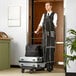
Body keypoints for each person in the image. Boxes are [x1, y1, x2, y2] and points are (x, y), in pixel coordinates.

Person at [34, 2, 58, 67]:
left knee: (51, 48)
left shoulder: (54, 14)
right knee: (45, 47)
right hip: (45, 34)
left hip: (51, 33)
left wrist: (50, 28)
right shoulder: (44, 15)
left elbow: (55, 24)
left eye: (47, 6)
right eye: (45, 6)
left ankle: (51, 64)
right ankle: (46, 63)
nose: (46, 7)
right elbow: (41, 24)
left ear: (51, 6)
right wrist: (37, 30)